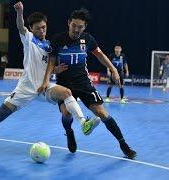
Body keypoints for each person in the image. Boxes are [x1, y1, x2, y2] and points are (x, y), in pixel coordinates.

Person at [0, 1, 100, 151]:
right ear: (32, 28)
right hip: (26, 87)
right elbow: (20, 26)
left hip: (43, 87)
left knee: (66, 92)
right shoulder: (29, 38)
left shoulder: (49, 46)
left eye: (44, 27)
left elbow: (46, 66)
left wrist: (55, 70)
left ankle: (83, 123)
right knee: (1, 114)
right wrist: (19, 12)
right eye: (38, 28)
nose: (42, 30)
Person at [40, 8, 136, 159]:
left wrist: (113, 69)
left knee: (101, 112)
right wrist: (46, 80)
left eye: (80, 27)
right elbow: (51, 61)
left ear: (84, 27)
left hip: (83, 82)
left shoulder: (88, 39)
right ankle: (70, 133)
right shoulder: (58, 39)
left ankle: (123, 144)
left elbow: (100, 55)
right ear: (68, 23)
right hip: (64, 83)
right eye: (74, 25)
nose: (76, 29)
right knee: (66, 113)